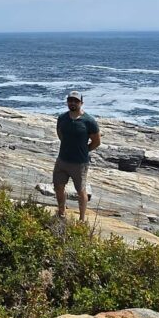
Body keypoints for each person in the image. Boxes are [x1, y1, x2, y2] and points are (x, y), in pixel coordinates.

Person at [53, 91, 101, 221]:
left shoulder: (89, 121)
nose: (73, 103)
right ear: (67, 102)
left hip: (79, 163)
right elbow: (60, 134)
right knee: (58, 186)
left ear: (81, 103)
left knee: (81, 191)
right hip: (62, 160)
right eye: (70, 100)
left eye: (76, 101)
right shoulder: (62, 118)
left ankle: (82, 219)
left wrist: (85, 150)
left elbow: (96, 142)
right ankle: (61, 212)